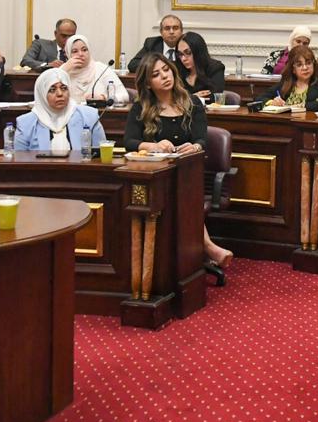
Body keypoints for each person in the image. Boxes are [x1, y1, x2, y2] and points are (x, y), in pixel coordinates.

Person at [124, 53, 233, 268]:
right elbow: (129, 141)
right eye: (156, 74)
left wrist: (195, 147)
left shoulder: (192, 102)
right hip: (156, 174)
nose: (165, 76)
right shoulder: (141, 107)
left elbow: (201, 139)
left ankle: (202, 249)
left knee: (182, 190)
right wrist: (152, 146)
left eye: (166, 70)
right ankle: (206, 247)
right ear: (148, 83)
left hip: (187, 171)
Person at [13, 67, 104, 153]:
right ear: (42, 95)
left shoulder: (89, 117)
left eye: (64, 88)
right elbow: (20, 160)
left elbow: (101, 155)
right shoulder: (26, 124)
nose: (60, 94)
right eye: (52, 90)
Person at [258, 45, 318, 111]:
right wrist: (272, 102)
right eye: (299, 65)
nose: (305, 68)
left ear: (314, 64)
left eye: (308, 63)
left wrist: (302, 106)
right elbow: (260, 98)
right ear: (293, 69)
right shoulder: (287, 81)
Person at [62, 35, 122, 104]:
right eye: (75, 51)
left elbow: (123, 95)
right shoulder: (64, 69)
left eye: (84, 50)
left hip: (98, 110)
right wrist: (64, 70)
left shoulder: (101, 69)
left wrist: (103, 97)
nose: (80, 54)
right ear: (68, 54)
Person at [176, 31, 225, 100]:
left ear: (198, 51)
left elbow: (215, 97)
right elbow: (173, 98)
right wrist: (193, 97)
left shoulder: (215, 68)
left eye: (188, 52)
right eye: (180, 54)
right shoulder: (177, 69)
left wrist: (187, 98)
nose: (183, 59)